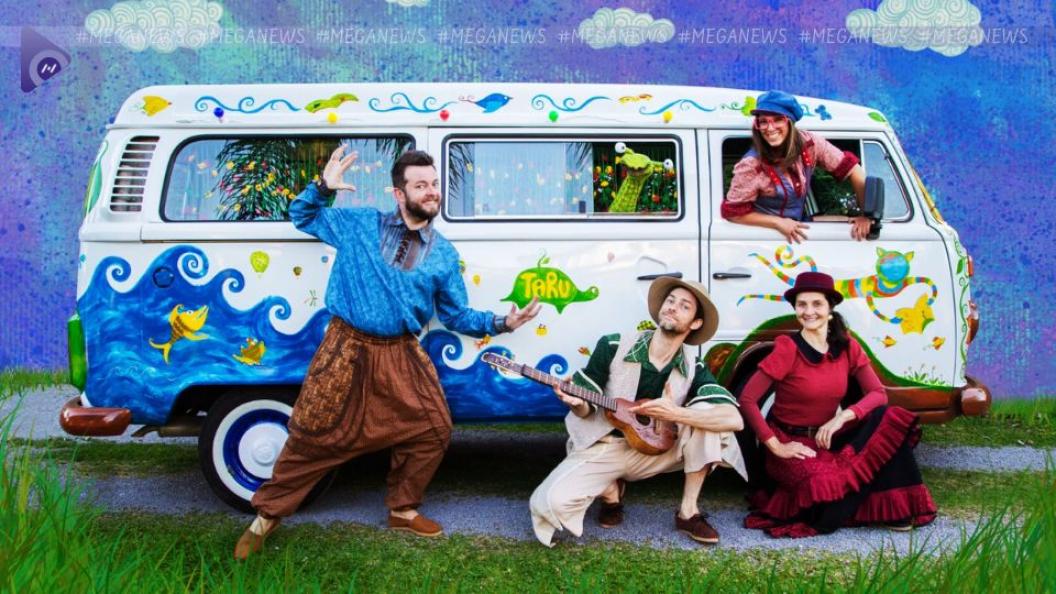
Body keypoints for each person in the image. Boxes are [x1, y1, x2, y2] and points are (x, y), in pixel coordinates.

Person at [234, 147, 541, 559]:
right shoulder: (360, 224)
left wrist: (503, 322)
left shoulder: (444, 254)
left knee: (432, 428)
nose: (432, 192)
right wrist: (323, 186)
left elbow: (455, 314)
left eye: (434, 184)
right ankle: (265, 517)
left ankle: (402, 509)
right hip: (345, 347)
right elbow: (303, 216)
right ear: (399, 193)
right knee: (314, 435)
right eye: (421, 185)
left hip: (400, 352)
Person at [529, 278, 746, 546]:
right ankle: (611, 491)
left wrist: (675, 414)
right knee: (550, 502)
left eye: (684, 306)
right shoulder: (613, 345)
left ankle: (688, 512)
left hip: (658, 450)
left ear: (695, 323)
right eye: (670, 301)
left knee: (709, 416)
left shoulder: (694, 365)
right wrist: (575, 403)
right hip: (606, 447)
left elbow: (734, 419)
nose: (672, 307)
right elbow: (585, 409)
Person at [737, 271, 936, 538]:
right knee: (823, 497)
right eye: (802, 304)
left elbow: (878, 394)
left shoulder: (847, 346)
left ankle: (898, 508)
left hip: (828, 437)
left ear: (830, 309)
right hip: (793, 443)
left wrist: (842, 417)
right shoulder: (787, 348)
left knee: (887, 419)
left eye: (817, 304)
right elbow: (747, 399)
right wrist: (776, 446)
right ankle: (865, 504)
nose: (809, 311)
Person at [721, 90, 871, 244]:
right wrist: (777, 222)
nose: (770, 128)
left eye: (778, 120)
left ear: (790, 122)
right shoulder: (751, 164)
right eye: (763, 121)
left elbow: (853, 169)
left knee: (844, 221)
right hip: (763, 237)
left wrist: (866, 215)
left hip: (797, 227)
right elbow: (733, 213)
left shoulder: (811, 144)